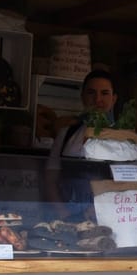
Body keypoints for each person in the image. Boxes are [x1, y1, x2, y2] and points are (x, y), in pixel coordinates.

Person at [44, 70, 117, 203]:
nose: (97, 99)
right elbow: (50, 180)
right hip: (68, 216)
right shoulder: (66, 134)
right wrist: (63, 214)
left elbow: (127, 186)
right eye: (91, 93)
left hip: (107, 218)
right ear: (83, 97)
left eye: (104, 93)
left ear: (113, 99)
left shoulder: (123, 140)